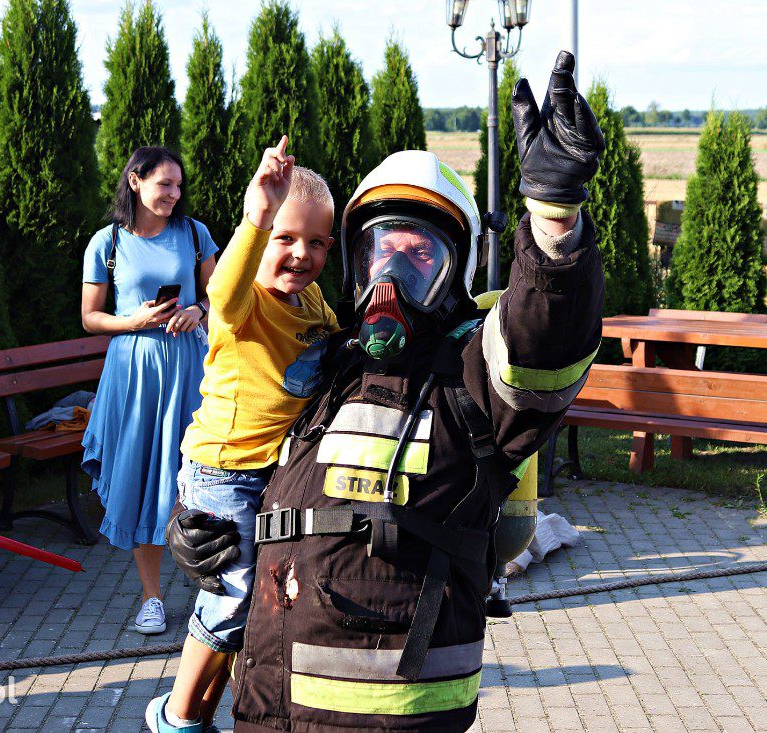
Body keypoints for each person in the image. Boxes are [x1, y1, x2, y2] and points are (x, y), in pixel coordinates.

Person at [170, 52, 606, 732]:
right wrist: (205, 525)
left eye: (419, 254)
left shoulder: (470, 376)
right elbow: (249, 444)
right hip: (268, 713)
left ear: (456, 270)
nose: (392, 274)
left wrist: (552, 221)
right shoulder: (328, 365)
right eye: (380, 251)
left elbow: (542, 339)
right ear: (353, 260)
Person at [144, 137, 339, 733]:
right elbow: (220, 290)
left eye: (316, 242)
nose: (301, 254)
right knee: (234, 592)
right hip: (223, 470)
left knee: (264, 602)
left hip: (277, 469)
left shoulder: (312, 303)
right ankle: (175, 713)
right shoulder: (244, 303)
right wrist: (258, 215)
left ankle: (210, 708)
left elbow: (341, 346)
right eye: (284, 238)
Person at [81, 145, 218, 635]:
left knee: (200, 475)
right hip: (133, 372)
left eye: (179, 186)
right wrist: (133, 319)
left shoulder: (195, 234)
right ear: (135, 181)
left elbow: (218, 294)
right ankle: (152, 597)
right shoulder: (107, 241)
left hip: (187, 366)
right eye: (165, 184)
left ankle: (211, 593)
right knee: (145, 478)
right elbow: (90, 317)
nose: (174, 194)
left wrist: (198, 310)